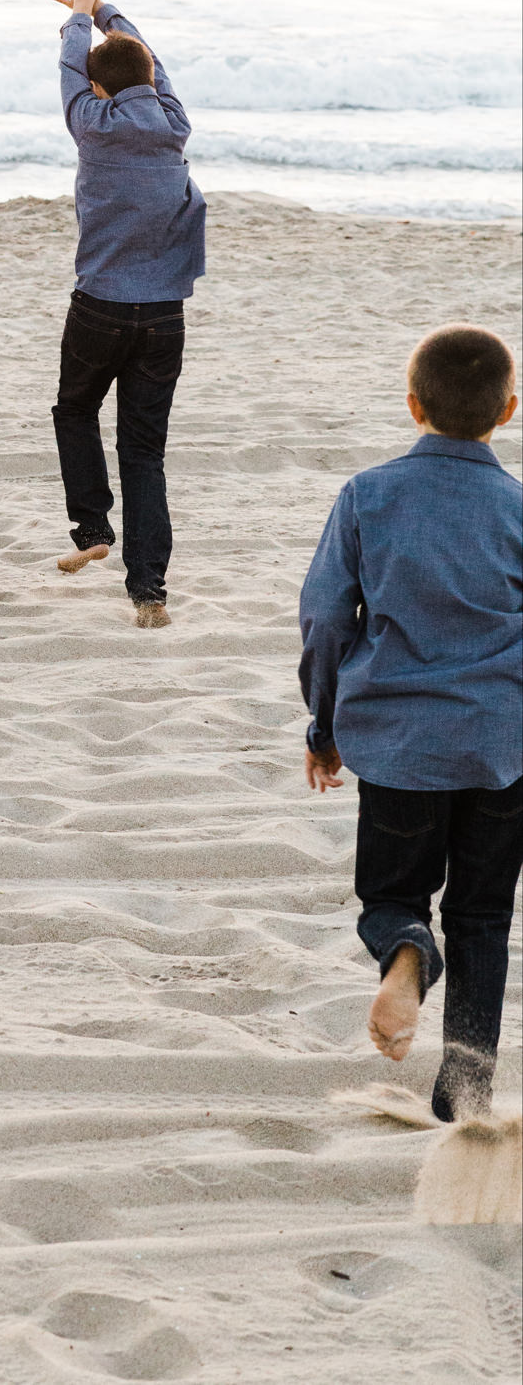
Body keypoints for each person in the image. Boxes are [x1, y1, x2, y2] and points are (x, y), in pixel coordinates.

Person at [301, 325, 522, 1121]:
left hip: (397, 745)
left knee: (392, 893)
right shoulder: (518, 507)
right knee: (484, 916)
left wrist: (322, 725)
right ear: (509, 408)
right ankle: (465, 1095)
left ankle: (404, 950)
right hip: (501, 745)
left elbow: (326, 618)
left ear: (413, 405)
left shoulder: (369, 495)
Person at [49, 0, 206, 627]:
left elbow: (69, 68)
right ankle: (150, 592)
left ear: (100, 89)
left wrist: (80, 18)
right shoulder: (173, 120)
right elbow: (150, 61)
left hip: (101, 307)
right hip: (164, 315)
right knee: (145, 450)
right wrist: (102, 7)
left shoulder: (91, 121)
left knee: (74, 410)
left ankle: (93, 530)